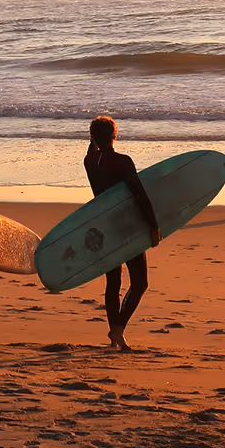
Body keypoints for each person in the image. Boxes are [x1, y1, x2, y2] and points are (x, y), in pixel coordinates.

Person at [84, 115, 161, 351]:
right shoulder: (123, 161)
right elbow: (139, 194)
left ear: (93, 137)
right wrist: (153, 225)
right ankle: (118, 329)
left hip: (104, 228)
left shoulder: (89, 161)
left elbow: (91, 149)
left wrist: (93, 139)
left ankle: (114, 337)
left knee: (113, 283)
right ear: (115, 136)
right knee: (140, 283)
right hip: (127, 227)